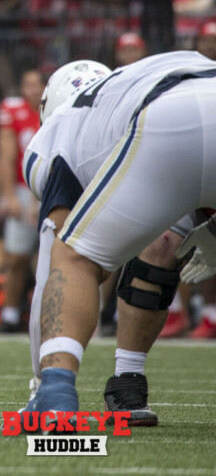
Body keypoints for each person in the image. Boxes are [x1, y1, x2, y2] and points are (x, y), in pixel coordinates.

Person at [19, 52, 216, 426]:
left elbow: (51, 267)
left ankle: (56, 395)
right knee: (162, 245)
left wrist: (42, 378)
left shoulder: (58, 128)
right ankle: (128, 380)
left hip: (166, 120)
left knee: (73, 259)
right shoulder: (129, 81)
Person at [0, 69, 43, 333]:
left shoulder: (58, 110)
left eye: (38, 84)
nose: (33, 90)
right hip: (23, 188)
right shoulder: (13, 110)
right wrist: (9, 195)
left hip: (50, 190)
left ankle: (46, 314)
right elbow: (7, 154)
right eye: (28, 84)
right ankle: (11, 313)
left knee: (53, 259)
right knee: (16, 257)